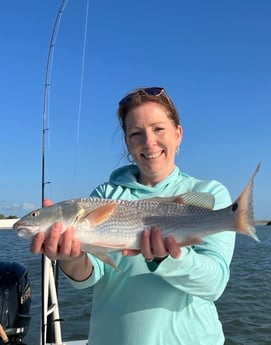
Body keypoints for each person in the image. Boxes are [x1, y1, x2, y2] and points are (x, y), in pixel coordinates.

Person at [31, 86, 236, 345]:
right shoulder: (104, 195)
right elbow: (90, 276)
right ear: (128, 143)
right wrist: (71, 257)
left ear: (178, 134)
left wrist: (168, 258)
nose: (149, 142)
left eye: (159, 129)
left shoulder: (208, 193)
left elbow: (213, 284)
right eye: (136, 133)